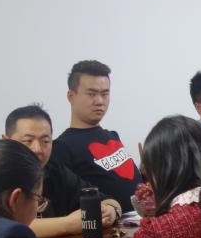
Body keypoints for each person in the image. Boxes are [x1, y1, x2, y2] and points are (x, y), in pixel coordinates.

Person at [4, 103, 120, 238]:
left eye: (45, 141)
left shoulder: (54, 170)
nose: (37, 149)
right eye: (27, 141)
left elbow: (106, 200)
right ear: (6, 141)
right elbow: (6, 226)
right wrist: (69, 223)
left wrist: (111, 211)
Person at [50, 60, 143, 211]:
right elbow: (66, 201)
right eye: (91, 94)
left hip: (143, 219)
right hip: (108, 223)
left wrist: (145, 173)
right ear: (71, 96)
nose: (99, 101)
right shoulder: (61, 147)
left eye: (105, 94)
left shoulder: (112, 136)